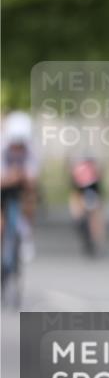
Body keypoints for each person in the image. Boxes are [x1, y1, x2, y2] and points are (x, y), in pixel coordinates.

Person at [1, 111, 39, 296]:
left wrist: (22, 177)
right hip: (3, 188)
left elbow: (32, 178)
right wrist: (11, 177)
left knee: (31, 197)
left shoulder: (31, 150)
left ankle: (26, 232)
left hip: (20, 188)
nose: (18, 148)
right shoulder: (1, 148)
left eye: (21, 145)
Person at [67, 154, 104, 255]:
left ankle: (95, 242)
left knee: (94, 219)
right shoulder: (77, 171)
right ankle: (89, 239)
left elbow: (97, 188)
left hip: (91, 193)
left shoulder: (93, 173)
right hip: (80, 194)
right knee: (80, 219)